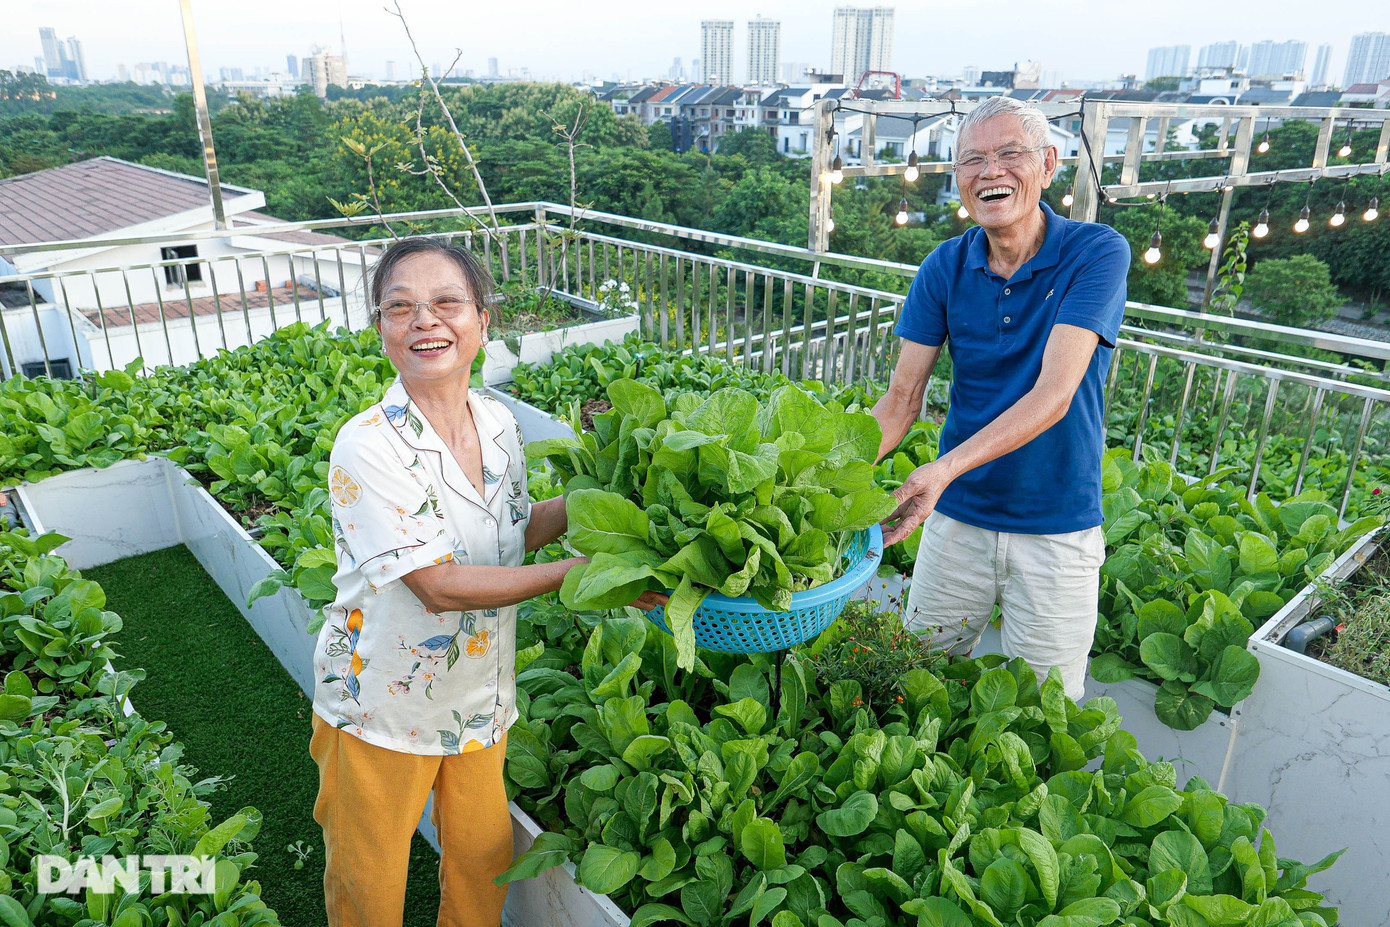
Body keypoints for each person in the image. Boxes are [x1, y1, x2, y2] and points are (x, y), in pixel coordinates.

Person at [309, 237, 659, 927]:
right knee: (369, 878)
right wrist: (574, 575)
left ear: (482, 321)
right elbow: (435, 584)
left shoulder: (497, 423)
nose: (424, 321)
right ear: (381, 327)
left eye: (446, 302)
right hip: (380, 701)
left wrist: (609, 501)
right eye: (400, 307)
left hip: (476, 696)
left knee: (481, 859)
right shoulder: (367, 444)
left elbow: (511, 530)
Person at [873, 96, 1129, 702]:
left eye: (1009, 154)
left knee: (1044, 714)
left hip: (1055, 527)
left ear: (1047, 164)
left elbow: (1054, 394)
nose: (990, 172)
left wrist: (944, 468)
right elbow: (901, 399)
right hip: (957, 519)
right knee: (914, 681)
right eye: (972, 160)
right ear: (959, 179)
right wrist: (825, 479)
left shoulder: (1095, 252)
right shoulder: (944, 266)